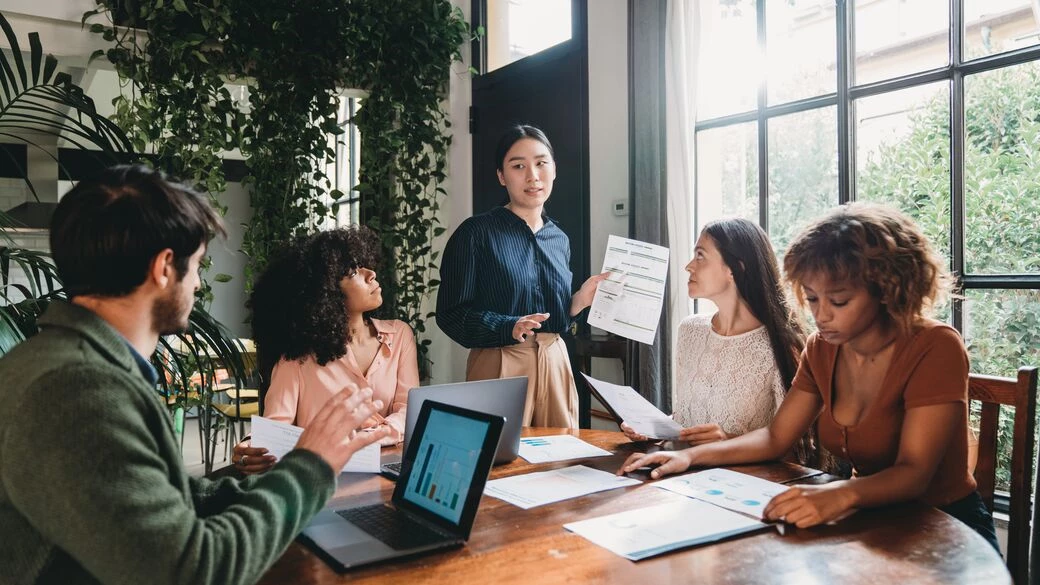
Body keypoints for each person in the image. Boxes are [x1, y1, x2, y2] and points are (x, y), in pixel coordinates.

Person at [0, 165, 388, 584]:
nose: (199, 286)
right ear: (165, 268)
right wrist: (310, 466)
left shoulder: (70, 363)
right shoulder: (77, 392)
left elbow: (164, 498)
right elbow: (194, 571)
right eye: (198, 266)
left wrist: (303, 473)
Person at [619, 202, 999, 551]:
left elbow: (914, 473)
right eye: (813, 299)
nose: (821, 316)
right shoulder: (823, 347)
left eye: (839, 301)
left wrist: (840, 495)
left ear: (887, 291)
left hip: (946, 526)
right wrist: (692, 458)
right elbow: (774, 436)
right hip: (871, 519)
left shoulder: (935, 345)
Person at [436, 124, 607, 428]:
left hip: (555, 360)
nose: (533, 175)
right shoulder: (475, 233)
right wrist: (508, 326)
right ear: (502, 176)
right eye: (518, 166)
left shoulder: (559, 239)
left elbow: (551, 314)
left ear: (554, 170)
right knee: (497, 465)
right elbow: (450, 314)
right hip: (500, 360)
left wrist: (577, 302)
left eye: (541, 163)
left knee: (561, 463)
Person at [233, 227, 418, 474]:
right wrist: (250, 448)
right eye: (353, 272)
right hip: (321, 479)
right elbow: (274, 428)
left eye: (364, 265)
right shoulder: (296, 357)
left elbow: (409, 410)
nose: (371, 274)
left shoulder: (400, 335)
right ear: (326, 293)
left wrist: (367, 438)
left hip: (389, 468)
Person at [620, 218, 805, 447]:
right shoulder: (690, 330)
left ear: (735, 268)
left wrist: (729, 440)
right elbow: (684, 420)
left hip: (743, 479)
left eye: (700, 255)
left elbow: (794, 448)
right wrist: (653, 428)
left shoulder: (780, 346)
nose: (689, 266)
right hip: (677, 472)